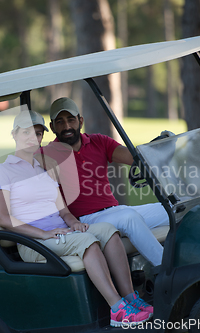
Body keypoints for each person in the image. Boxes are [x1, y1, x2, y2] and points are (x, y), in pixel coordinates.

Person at [0, 110, 152, 327]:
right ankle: (117, 309)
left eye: (38, 134)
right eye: (27, 133)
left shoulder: (45, 168)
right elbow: (3, 219)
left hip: (61, 234)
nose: (33, 138)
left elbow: (64, 210)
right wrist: (44, 233)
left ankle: (131, 298)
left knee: (107, 231)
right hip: (34, 242)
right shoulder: (3, 171)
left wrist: (73, 222)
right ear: (14, 134)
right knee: (87, 242)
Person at [39, 97, 169, 268]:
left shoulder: (98, 141)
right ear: (52, 127)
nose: (67, 127)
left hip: (115, 211)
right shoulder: (46, 154)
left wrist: (162, 147)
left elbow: (134, 159)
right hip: (86, 220)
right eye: (60, 122)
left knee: (173, 208)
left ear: (80, 121)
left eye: (71, 120)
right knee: (129, 218)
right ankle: (168, 269)